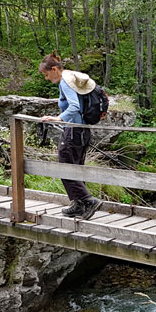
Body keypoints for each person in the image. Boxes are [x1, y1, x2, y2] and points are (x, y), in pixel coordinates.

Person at [39, 51, 103, 220]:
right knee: (75, 166)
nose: (46, 78)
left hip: (74, 130)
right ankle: (78, 204)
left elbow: (74, 106)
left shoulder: (65, 82)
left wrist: (58, 118)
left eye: (46, 74)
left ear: (54, 69)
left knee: (65, 165)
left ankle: (87, 201)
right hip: (82, 130)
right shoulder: (71, 79)